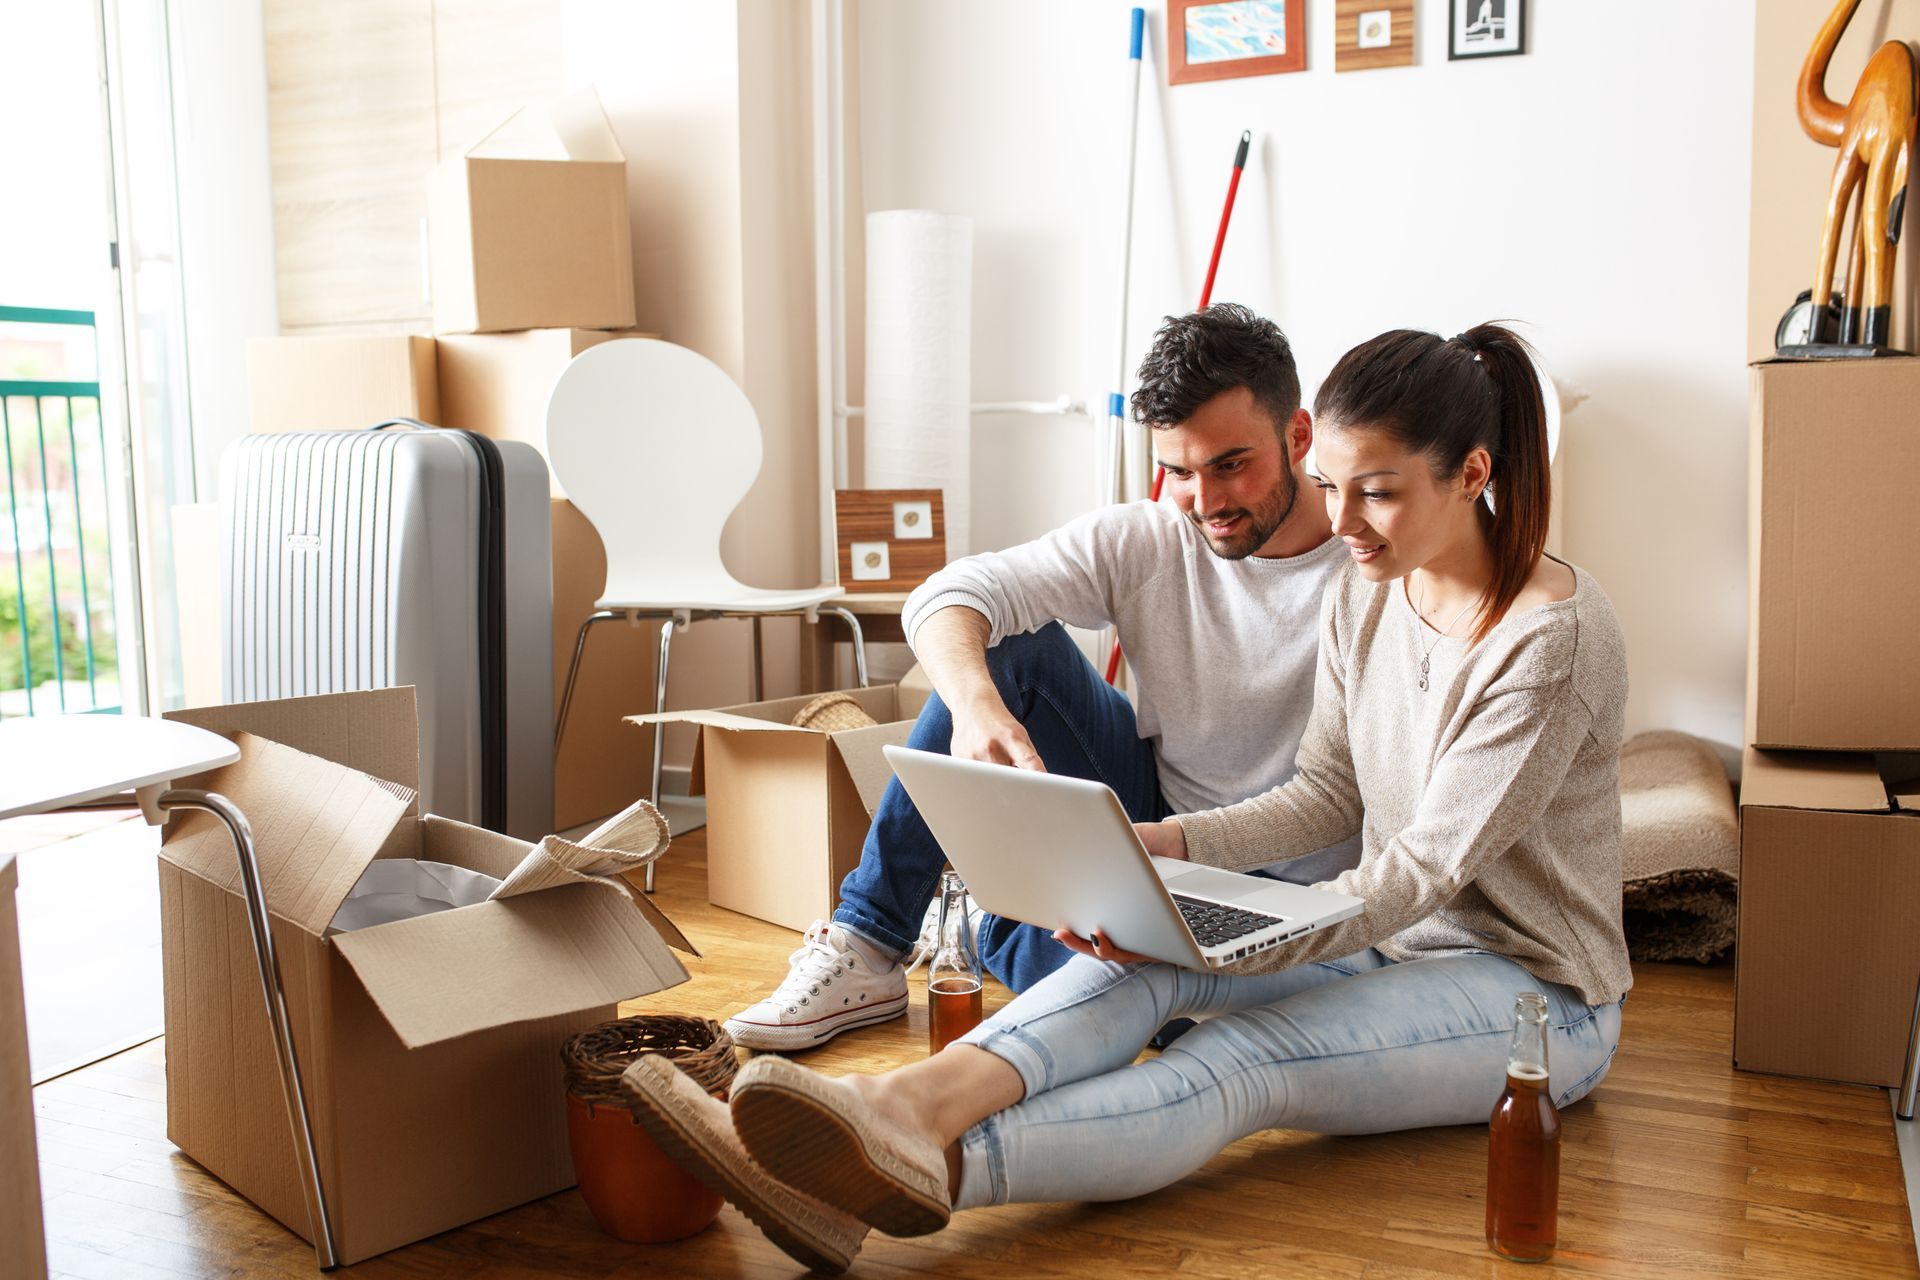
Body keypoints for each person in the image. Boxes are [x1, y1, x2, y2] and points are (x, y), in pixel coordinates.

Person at [623, 322, 1632, 1274]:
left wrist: (1216, 938)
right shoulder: (1380, 585)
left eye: (1376, 492)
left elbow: (1419, 873)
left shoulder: (1551, 640)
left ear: (1473, 474)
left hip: (1531, 989)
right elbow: (1326, 792)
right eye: (1334, 486)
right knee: (1144, 973)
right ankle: (884, 1109)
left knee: (1247, 1056)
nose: (1346, 521)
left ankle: (919, 1172)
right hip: (1385, 939)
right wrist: (1156, 847)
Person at [725, 303, 1359, 1052]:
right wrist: (972, 706)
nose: (1206, 501)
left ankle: (987, 927)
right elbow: (947, 593)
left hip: (1293, 882)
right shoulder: (1149, 536)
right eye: (1178, 472)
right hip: (1154, 818)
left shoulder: (1374, 565)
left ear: (1298, 435)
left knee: (1185, 1018)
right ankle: (868, 942)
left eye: (1231, 465)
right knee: (1003, 648)